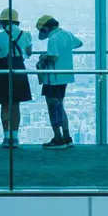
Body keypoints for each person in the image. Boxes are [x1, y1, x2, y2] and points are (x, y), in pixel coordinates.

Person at [34, 14, 83, 149]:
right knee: (60, 105)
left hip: (53, 78)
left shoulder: (53, 38)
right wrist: (66, 50)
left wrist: (44, 56)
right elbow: (79, 43)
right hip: (65, 76)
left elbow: (54, 57)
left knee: (52, 106)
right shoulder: (67, 34)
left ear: (47, 28)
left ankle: (58, 138)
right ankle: (67, 137)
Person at [0, 8, 36, 148]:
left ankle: (6, 137)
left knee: (5, 104)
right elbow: (29, 52)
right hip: (18, 69)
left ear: (3, 22)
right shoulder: (26, 35)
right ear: (17, 21)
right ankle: (15, 138)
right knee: (16, 105)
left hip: (3, 69)